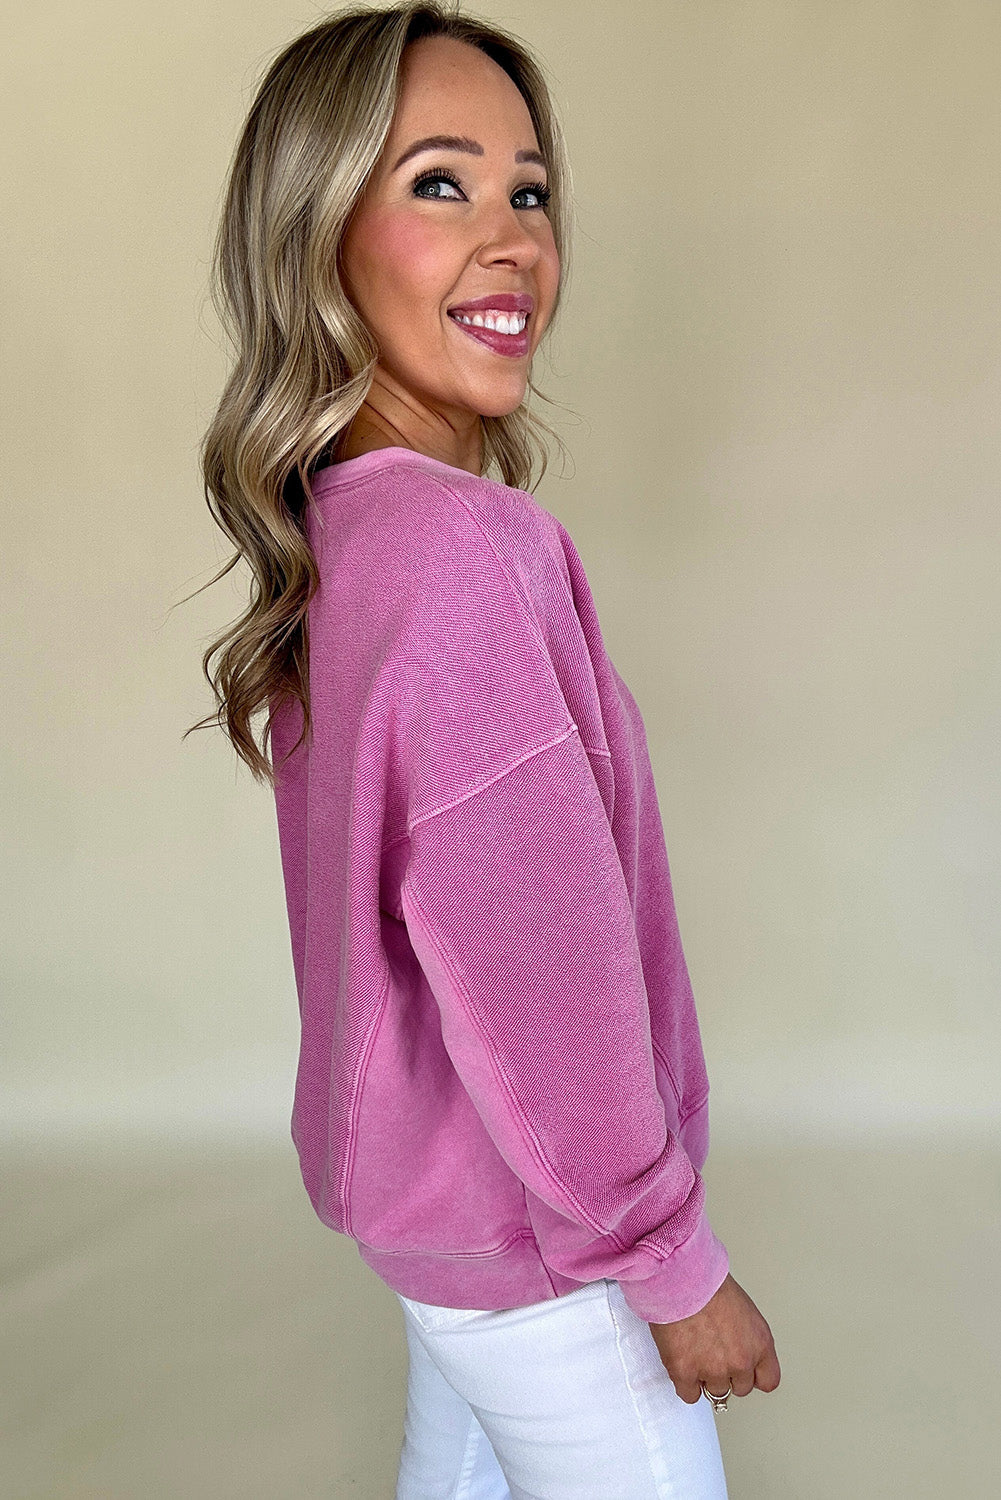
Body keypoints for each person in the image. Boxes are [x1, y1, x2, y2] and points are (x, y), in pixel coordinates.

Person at [189, 3, 780, 1495]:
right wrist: (668, 1259)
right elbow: (537, 957)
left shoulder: (353, 533)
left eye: (529, 190)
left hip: (432, 1218)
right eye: (439, 183)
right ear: (321, 234)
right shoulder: (459, 557)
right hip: (543, 1245)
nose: (513, 237)